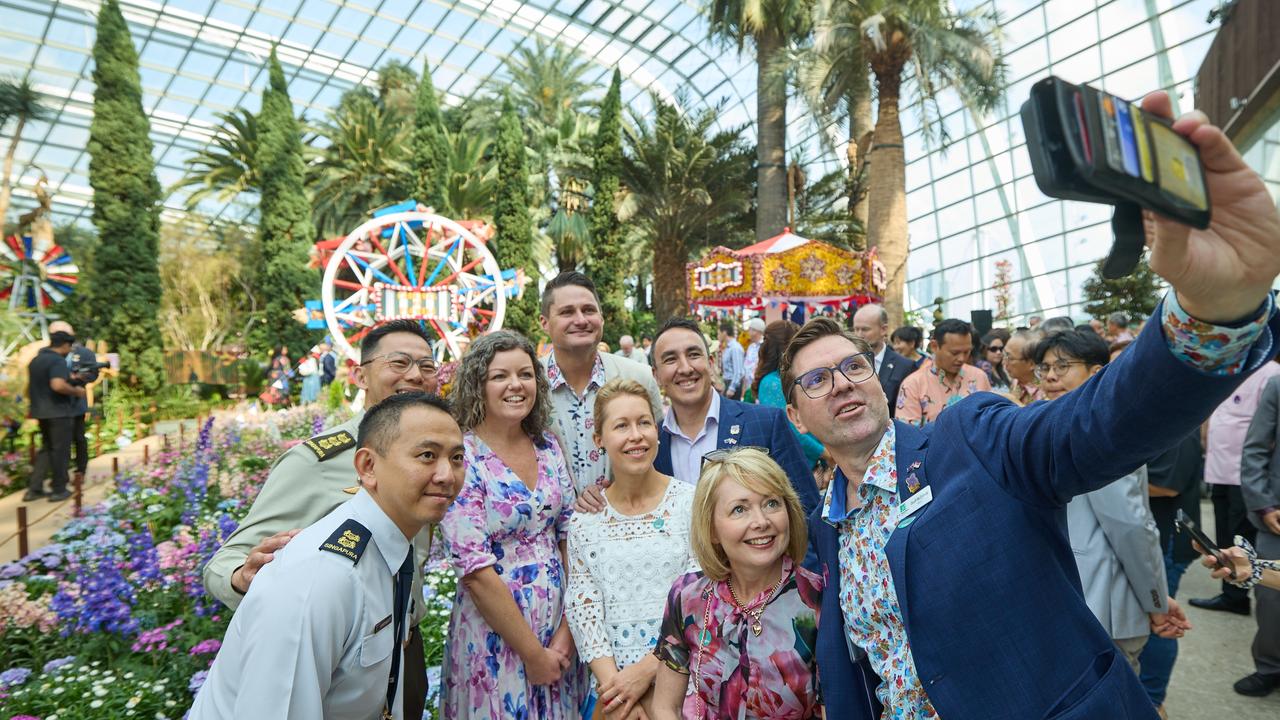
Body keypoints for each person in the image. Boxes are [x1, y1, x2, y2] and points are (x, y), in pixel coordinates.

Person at [783, 89, 1280, 718]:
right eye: (817, 381)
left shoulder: (969, 440)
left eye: (853, 365)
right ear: (796, 418)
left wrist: (1213, 314)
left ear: (879, 379)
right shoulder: (827, 525)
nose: (844, 383)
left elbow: (1093, 428)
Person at [203, 319, 440, 720]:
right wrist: (242, 576)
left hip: (404, 648)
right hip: (339, 664)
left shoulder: (431, 457)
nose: (415, 375)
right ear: (359, 374)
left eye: (427, 366)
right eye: (399, 362)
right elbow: (223, 563)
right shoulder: (318, 462)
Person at [440, 330, 589, 719]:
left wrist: (567, 634)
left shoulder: (547, 445)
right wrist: (533, 654)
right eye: (500, 376)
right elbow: (473, 570)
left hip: (560, 627)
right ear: (478, 385)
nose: (515, 385)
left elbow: (570, 535)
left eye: (525, 374)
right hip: (497, 636)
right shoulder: (461, 455)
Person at [1037, 330, 1187, 675]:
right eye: (1044, 368)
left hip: (1089, 596)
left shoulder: (1077, 425)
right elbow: (1131, 526)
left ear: (1097, 372)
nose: (1051, 376)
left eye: (1063, 366)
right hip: (1094, 600)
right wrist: (1157, 600)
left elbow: (1128, 525)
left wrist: (1156, 599)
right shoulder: (1097, 426)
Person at [651, 447, 823, 719]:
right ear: (712, 529)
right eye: (739, 509)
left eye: (771, 503)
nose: (761, 522)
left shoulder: (817, 600)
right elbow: (665, 706)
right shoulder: (688, 597)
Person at [565, 379, 697, 720]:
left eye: (644, 423)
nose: (635, 435)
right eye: (621, 426)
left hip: (687, 685)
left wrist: (647, 672)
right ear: (600, 440)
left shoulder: (692, 503)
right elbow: (585, 609)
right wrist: (619, 691)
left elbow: (703, 598)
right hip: (617, 699)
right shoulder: (585, 521)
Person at [634, 317, 818, 518]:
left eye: (694, 355)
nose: (685, 368)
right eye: (670, 359)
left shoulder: (767, 423)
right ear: (656, 375)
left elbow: (806, 510)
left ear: (710, 362)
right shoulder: (651, 443)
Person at [540, 271, 661, 495]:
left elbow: (657, 452)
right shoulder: (529, 384)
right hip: (552, 525)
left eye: (589, 310)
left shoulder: (639, 378)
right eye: (567, 312)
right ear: (544, 323)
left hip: (625, 520)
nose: (581, 320)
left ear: (601, 318)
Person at [1191, 349, 1280, 615]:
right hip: (1219, 467)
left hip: (1247, 476)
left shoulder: (1272, 375)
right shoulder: (1227, 371)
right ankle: (1231, 592)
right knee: (1225, 533)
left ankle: (1239, 595)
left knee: (1243, 535)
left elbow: (1265, 435)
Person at [1235, 369, 1280, 696]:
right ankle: (1270, 667)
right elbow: (1254, 450)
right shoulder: (1277, 386)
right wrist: (1265, 506)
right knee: (1270, 599)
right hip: (1276, 516)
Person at [753, 320, 824, 469]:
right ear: (786, 348)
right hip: (794, 465)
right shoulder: (771, 383)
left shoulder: (789, 377)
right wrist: (824, 453)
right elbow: (790, 429)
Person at [25, 330, 85, 502]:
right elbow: (57, 385)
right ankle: (59, 489)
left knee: (46, 449)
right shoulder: (57, 360)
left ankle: (34, 489)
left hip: (41, 411)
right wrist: (76, 391)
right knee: (60, 450)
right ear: (65, 345)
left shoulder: (36, 360)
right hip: (59, 412)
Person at [895, 318, 992, 426]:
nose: (961, 358)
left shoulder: (979, 377)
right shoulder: (913, 384)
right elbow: (908, 435)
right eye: (955, 352)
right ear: (934, 346)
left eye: (967, 352)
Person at [48, 320, 98, 491]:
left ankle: (80, 472)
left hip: (75, 403)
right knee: (59, 443)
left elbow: (92, 374)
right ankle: (60, 477)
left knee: (78, 438)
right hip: (54, 406)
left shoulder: (84, 353)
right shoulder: (49, 354)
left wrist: (76, 380)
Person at [852, 304, 914, 417]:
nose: (859, 335)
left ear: (883, 329)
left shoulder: (904, 366)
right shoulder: (847, 364)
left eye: (865, 329)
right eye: (856, 329)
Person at [1003, 328, 1044, 406]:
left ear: (1031, 364)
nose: (1004, 362)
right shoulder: (1016, 381)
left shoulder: (1047, 389)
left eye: (1010, 358)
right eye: (1004, 355)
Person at [717, 320, 746, 401]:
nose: (718, 336)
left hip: (733, 384)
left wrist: (732, 388)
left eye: (719, 333)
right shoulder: (728, 347)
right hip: (728, 383)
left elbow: (738, 371)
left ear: (724, 333)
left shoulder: (735, 348)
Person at [741, 318, 765, 402]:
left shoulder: (764, 346)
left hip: (758, 390)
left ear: (757, 331)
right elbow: (746, 372)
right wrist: (743, 392)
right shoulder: (751, 347)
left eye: (750, 330)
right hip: (748, 389)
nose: (749, 333)